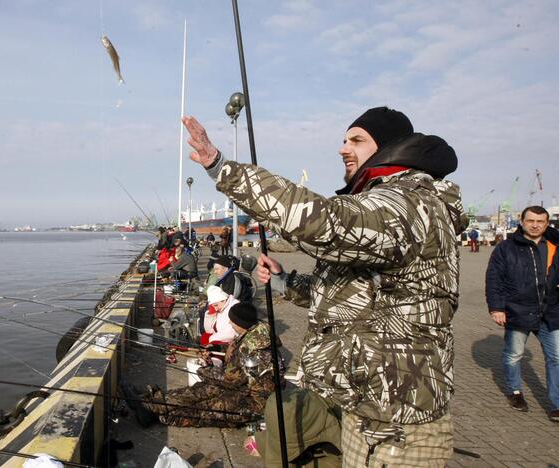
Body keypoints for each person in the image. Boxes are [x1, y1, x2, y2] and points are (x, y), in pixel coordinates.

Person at [184, 106, 466, 466]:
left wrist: (221, 167)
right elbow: (353, 293)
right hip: (366, 406)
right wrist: (286, 280)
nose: (343, 148)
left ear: (390, 148)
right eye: (344, 139)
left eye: (357, 140)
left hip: (398, 420)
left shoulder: (408, 202)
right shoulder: (384, 203)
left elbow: (323, 222)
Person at [132, 303, 281, 428]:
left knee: (204, 409)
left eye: (232, 321)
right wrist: (214, 350)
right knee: (199, 390)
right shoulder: (253, 331)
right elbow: (234, 351)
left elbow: (230, 379)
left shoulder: (254, 350)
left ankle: (154, 415)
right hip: (242, 387)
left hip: (254, 402)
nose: (230, 323)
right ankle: (152, 402)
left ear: (241, 324)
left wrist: (204, 370)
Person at [485, 205, 559, 421]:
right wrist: (497, 308)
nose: (535, 225)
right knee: (514, 355)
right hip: (519, 310)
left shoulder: (554, 245)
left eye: (540, 222)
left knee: (556, 357)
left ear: (547, 224)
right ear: (521, 221)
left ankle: (556, 403)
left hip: (551, 312)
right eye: (531, 221)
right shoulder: (505, 248)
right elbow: (494, 279)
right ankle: (515, 391)